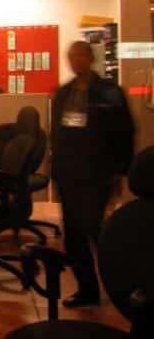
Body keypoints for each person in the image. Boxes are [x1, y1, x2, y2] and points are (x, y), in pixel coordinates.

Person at [51, 40, 135, 308]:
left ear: (90, 57)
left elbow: (125, 133)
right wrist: (54, 169)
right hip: (69, 174)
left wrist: (119, 171)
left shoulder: (109, 92)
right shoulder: (63, 93)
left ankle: (125, 287)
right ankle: (87, 290)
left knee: (98, 232)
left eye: (80, 55)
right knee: (74, 236)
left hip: (97, 173)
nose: (76, 61)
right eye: (71, 56)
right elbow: (57, 134)